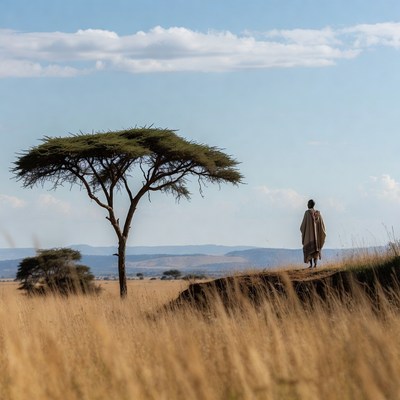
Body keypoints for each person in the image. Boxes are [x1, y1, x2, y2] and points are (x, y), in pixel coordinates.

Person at [300, 199, 326, 268]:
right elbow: (322, 226)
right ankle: (315, 265)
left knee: (310, 251)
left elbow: (303, 226)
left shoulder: (307, 213)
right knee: (315, 252)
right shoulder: (318, 214)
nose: (307, 205)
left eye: (308, 203)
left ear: (310, 204)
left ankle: (311, 265)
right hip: (316, 239)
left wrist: (303, 230)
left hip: (309, 237)